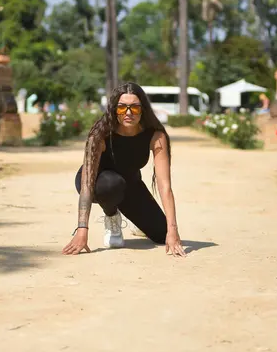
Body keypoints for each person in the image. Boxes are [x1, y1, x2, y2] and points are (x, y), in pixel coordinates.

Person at [62, 82, 186, 257]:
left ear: (143, 109)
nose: (128, 113)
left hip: (130, 183)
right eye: (122, 108)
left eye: (134, 108)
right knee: (111, 184)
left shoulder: (156, 136)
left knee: (161, 235)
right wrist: (82, 230)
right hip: (97, 182)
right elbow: (87, 184)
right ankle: (112, 216)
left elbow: (164, 186)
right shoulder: (100, 134)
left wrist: (173, 230)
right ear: (114, 109)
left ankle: (137, 222)